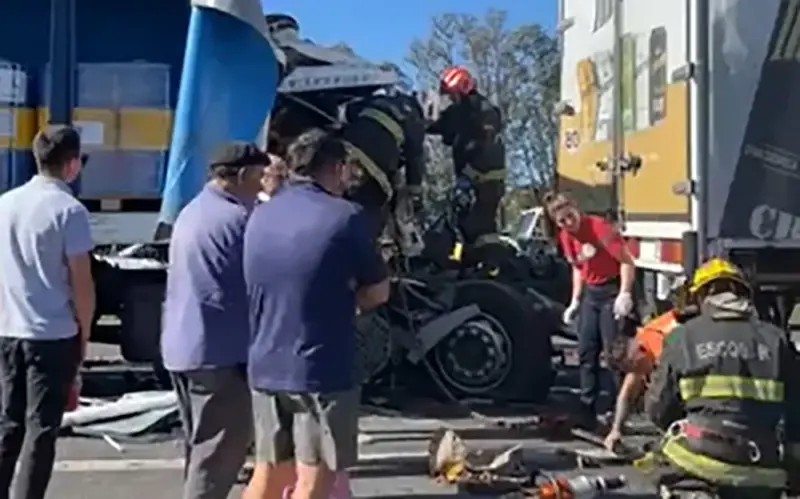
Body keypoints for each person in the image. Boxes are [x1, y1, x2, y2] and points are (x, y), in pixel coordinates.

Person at [243, 131, 390, 499]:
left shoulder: (260, 214)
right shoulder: (346, 216)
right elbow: (378, 290)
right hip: (320, 368)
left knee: (268, 474)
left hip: (264, 363)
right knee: (312, 481)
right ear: (338, 169)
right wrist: (349, 303)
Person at [162, 142, 269, 499]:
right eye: (259, 176)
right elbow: (258, 285)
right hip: (219, 351)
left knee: (200, 450)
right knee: (218, 455)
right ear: (241, 175)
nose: (263, 184)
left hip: (183, 345)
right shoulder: (239, 220)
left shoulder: (193, 211)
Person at [645, 258, 800, 498]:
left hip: (698, 460)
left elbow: (657, 409)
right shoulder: (776, 338)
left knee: (660, 458)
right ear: (742, 294)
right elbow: (795, 412)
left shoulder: (682, 337)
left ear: (701, 296)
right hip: (760, 465)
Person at [0, 124, 95, 499]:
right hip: (52, 333)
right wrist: (84, 333)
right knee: (42, 429)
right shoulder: (69, 211)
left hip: (8, 328)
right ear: (71, 165)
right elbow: (81, 283)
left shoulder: (5, 203)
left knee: (8, 422)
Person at [544, 191, 636, 429]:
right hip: (591, 295)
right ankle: (588, 407)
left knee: (613, 354)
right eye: (562, 221)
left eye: (570, 217)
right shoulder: (566, 236)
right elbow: (578, 268)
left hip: (610, 291)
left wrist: (625, 293)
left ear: (576, 209)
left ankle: (620, 411)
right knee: (586, 351)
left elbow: (626, 261)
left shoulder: (599, 228)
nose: (568, 223)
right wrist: (575, 301)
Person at [427, 66, 505, 246]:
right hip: (468, 180)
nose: (450, 98)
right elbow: (436, 124)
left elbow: (487, 147)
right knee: (461, 224)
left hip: (487, 182)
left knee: (479, 227)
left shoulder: (485, 111)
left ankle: (490, 265)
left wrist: (470, 174)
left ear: (463, 89)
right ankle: (469, 263)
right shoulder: (459, 112)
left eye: (452, 94)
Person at [339, 91, 427, 238]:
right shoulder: (415, 121)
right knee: (372, 213)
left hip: (344, 147)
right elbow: (415, 159)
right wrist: (416, 193)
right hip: (373, 165)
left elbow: (350, 111)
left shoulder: (380, 99)